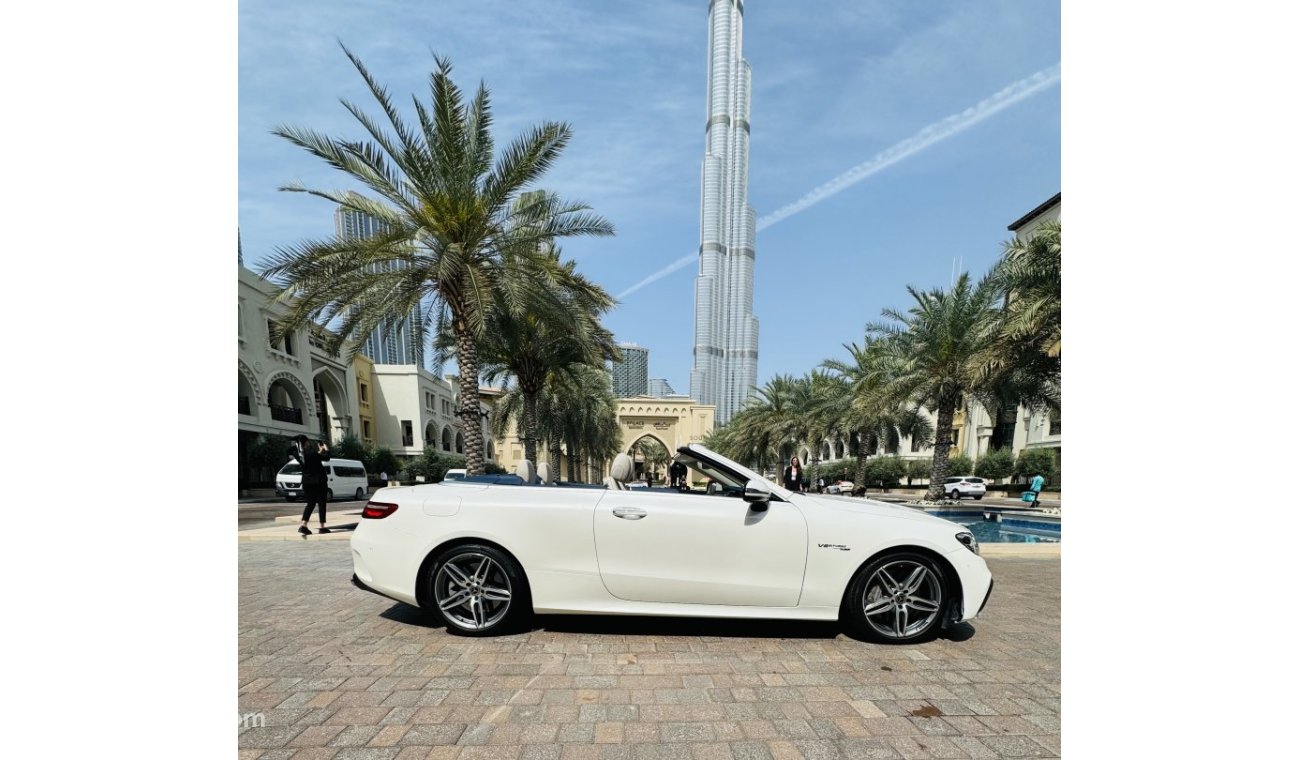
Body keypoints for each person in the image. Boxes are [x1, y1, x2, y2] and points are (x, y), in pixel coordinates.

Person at [290, 434, 331, 536]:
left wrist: (319, 451)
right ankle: (322, 527)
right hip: (319, 481)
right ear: (306, 442)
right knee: (321, 503)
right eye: (308, 441)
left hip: (307, 482)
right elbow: (327, 458)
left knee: (310, 503)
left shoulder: (297, 454)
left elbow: (312, 458)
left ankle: (304, 525)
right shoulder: (312, 453)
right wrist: (326, 449)